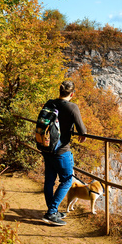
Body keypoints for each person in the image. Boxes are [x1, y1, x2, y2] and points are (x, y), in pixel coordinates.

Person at [42, 80, 86, 225]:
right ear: (72, 94)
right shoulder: (72, 107)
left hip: (47, 147)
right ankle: (51, 212)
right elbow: (83, 131)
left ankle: (52, 211)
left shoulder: (50, 103)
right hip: (61, 150)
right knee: (67, 180)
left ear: (60, 91)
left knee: (49, 180)